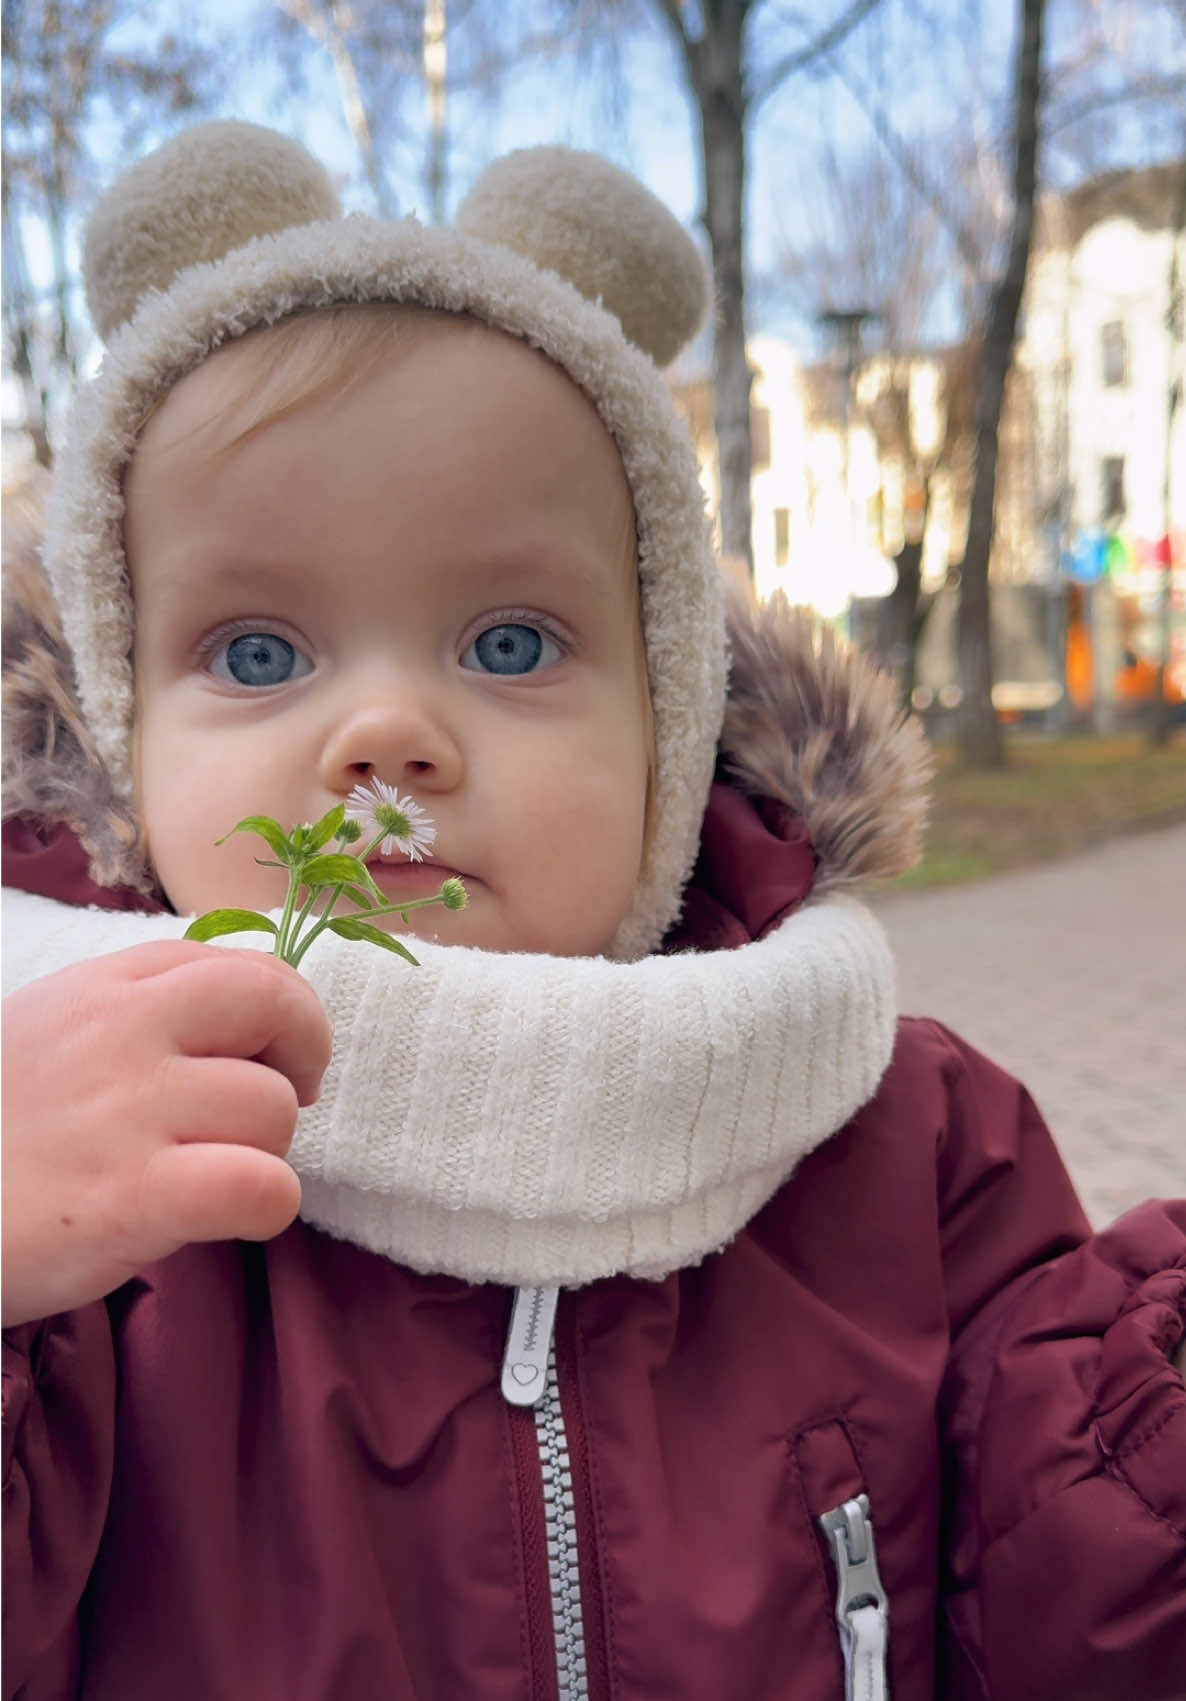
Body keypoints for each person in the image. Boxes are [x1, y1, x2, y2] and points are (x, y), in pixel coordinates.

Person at [2, 121, 1184, 1701]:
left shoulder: (896, 1137)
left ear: (669, 724)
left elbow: (1080, 1590)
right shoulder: (82, 1186)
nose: (387, 734)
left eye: (506, 642)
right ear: (121, 750)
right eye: (261, 654)